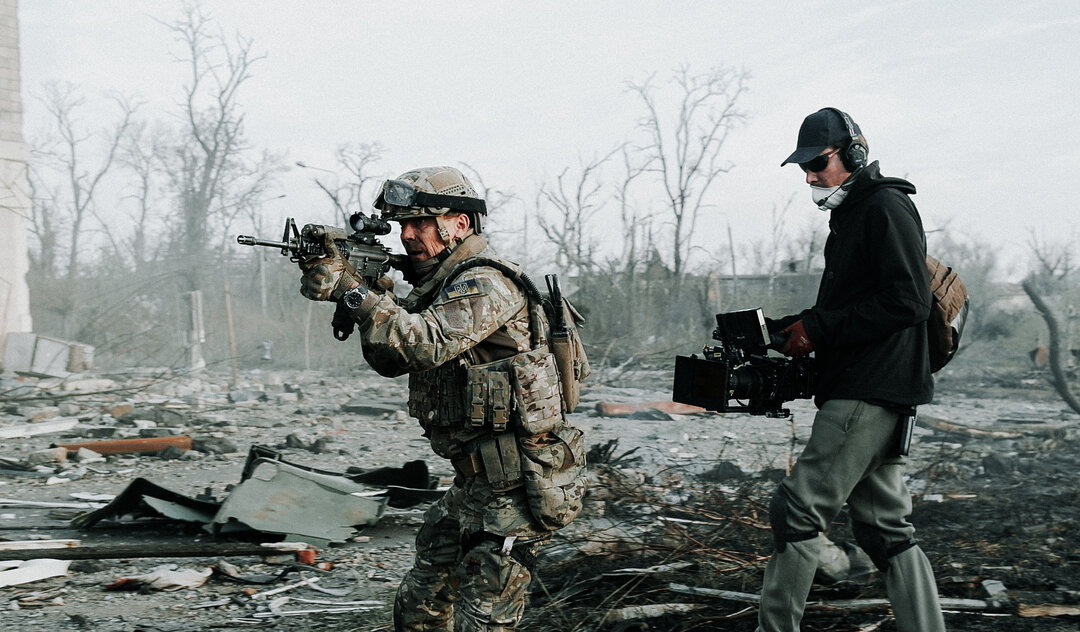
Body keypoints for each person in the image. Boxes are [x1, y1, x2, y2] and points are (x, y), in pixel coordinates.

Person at [297, 165, 587, 632]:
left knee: (486, 619)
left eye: (420, 223)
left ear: (460, 223)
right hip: (474, 483)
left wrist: (352, 290)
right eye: (402, 224)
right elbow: (392, 356)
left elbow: (419, 342)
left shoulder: (487, 283)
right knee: (421, 603)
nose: (407, 235)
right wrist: (360, 291)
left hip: (516, 485)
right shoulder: (441, 288)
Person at [757, 108, 946, 632]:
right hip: (876, 388)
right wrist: (792, 326)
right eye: (804, 169)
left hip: (867, 390)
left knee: (797, 514)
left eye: (818, 163)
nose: (812, 176)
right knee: (888, 531)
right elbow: (856, 306)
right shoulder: (855, 214)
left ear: (853, 153)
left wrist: (820, 329)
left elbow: (909, 301)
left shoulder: (884, 206)